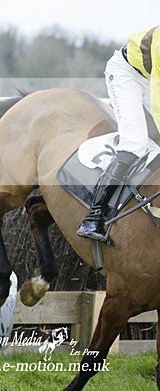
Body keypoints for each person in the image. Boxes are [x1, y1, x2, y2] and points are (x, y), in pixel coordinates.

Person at [77, 25, 160, 241]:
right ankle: (93, 217)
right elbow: (158, 104)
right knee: (135, 144)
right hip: (126, 74)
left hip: (150, 75)